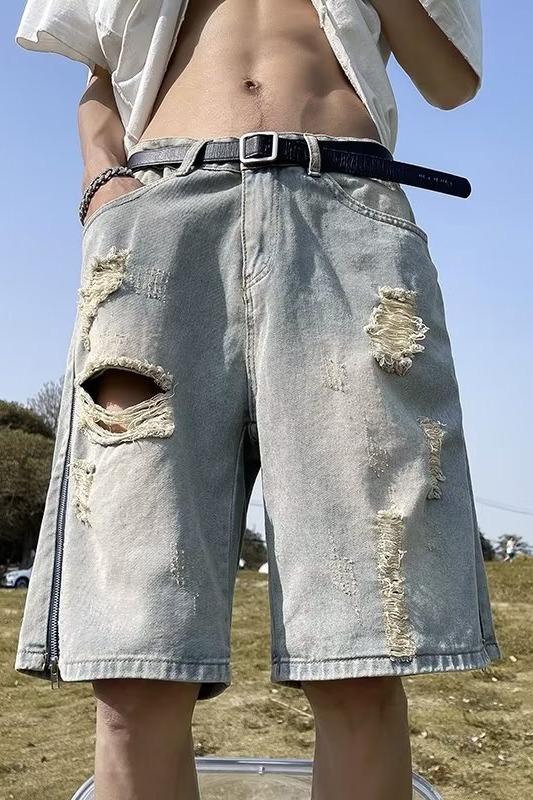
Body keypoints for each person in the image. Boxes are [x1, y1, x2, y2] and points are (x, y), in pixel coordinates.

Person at [13, 1, 502, 798]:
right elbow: (99, 71)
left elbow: (450, 82)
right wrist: (103, 180)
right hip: (161, 218)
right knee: (133, 666)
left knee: (362, 656)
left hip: (344, 213)